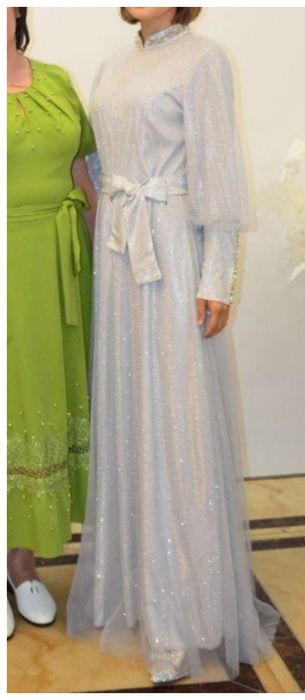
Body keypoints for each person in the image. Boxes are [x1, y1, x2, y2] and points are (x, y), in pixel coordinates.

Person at [67, 7, 278, 684]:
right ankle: (135, 583)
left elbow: (218, 173)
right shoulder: (114, 65)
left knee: (178, 420)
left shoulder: (203, 59)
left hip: (171, 254)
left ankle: (185, 607)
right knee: (130, 413)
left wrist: (217, 278)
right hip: (119, 256)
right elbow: (100, 163)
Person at [7, 5, 97, 640]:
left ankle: (22, 565)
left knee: (42, 405)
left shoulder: (58, 80)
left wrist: (111, 264)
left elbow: (82, 175)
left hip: (63, 266)